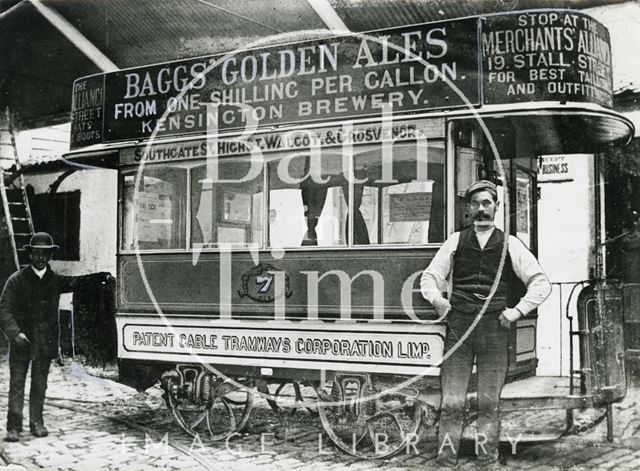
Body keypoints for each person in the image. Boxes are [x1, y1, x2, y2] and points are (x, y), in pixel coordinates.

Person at [420, 180, 551, 467]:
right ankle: (444, 462)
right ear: (469, 208)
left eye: (487, 203)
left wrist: (517, 311)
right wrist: (439, 301)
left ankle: (486, 462)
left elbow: (541, 283)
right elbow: (428, 278)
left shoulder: (510, 244)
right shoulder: (455, 240)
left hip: (494, 329)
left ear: (496, 206)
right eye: (476, 203)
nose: (481, 208)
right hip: (460, 328)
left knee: (488, 403)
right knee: (452, 402)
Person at [0, 232, 110, 442]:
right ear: (30, 254)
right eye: (37, 253)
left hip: (44, 344)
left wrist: (101, 277)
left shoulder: (54, 280)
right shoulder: (17, 280)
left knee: (40, 385)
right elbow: (3, 310)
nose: (40, 258)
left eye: (45, 254)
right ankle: (13, 427)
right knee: (16, 385)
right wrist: (15, 333)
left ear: (50, 256)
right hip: (22, 343)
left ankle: (36, 423)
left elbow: (76, 282)